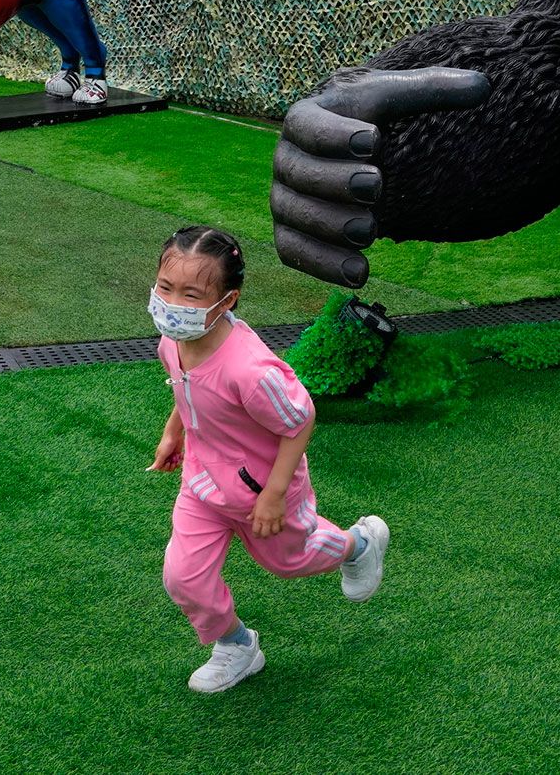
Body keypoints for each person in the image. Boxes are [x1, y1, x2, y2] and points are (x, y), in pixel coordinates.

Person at [148, 224, 388, 694]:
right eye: (165, 288)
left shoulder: (251, 370)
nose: (173, 304)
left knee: (289, 561)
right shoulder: (172, 342)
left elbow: (299, 421)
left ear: (228, 300)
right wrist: (173, 432)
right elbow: (184, 390)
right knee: (183, 578)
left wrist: (275, 495)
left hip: (263, 489)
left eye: (192, 294)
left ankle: (359, 543)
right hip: (203, 485)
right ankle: (236, 647)